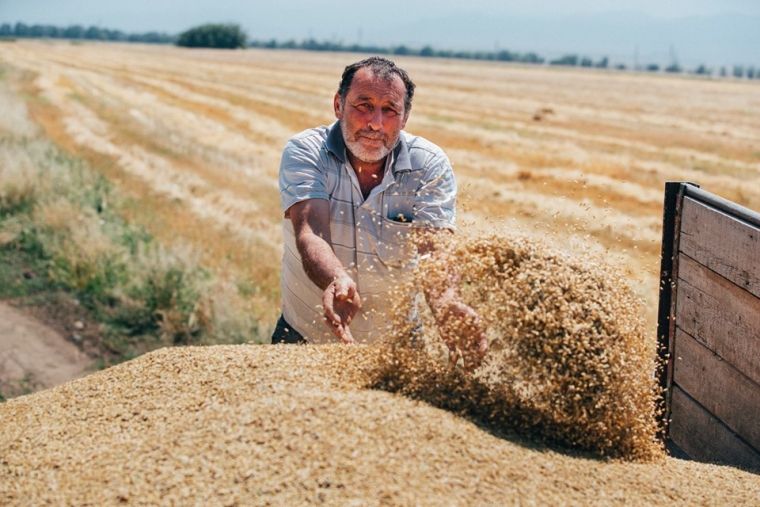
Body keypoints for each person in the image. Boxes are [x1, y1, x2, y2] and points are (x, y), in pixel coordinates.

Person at [273, 56, 487, 368]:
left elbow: (434, 252)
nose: (375, 122)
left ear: (405, 118)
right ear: (338, 105)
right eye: (363, 105)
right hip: (305, 335)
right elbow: (311, 232)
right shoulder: (307, 151)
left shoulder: (428, 165)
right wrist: (336, 278)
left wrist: (445, 304)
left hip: (397, 346)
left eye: (389, 110)